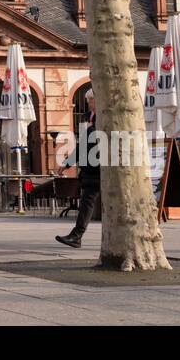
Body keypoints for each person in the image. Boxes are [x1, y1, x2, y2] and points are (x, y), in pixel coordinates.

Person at [56, 93, 100, 249]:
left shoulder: (102, 119)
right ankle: (76, 236)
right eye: (88, 101)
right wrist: (67, 163)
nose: (89, 104)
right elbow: (82, 146)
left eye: (90, 101)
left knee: (87, 203)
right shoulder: (89, 118)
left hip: (99, 168)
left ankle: (77, 236)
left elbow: (86, 146)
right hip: (91, 169)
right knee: (87, 202)